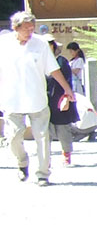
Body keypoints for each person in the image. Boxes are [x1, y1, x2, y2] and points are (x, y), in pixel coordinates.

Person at [0, 11, 76, 185]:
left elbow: (53, 69)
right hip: (12, 99)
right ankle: (22, 161)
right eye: (26, 28)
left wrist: (67, 89)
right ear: (16, 28)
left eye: (32, 28)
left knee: (42, 137)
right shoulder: (3, 44)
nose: (29, 32)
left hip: (37, 99)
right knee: (13, 137)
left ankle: (43, 173)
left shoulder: (40, 44)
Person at [46, 40, 79, 166]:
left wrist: (66, 96)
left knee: (63, 129)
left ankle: (66, 154)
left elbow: (68, 80)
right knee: (45, 130)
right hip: (44, 100)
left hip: (59, 98)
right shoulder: (39, 62)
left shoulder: (61, 61)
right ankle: (46, 158)